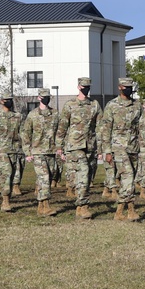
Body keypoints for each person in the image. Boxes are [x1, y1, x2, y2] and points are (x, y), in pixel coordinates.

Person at [54, 77, 103, 219]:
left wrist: (100, 147)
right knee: (83, 172)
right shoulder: (70, 105)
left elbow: (100, 127)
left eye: (88, 87)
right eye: (83, 87)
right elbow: (62, 126)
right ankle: (83, 206)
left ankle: (81, 204)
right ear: (78, 87)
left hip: (90, 145)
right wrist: (59, 146)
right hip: (74, 145)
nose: (85, 89)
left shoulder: (94, 105)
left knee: (87, 177)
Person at [99, 78, 142, 221]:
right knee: (128, 176)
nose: (128, 89)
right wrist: (106, 151)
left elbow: (140, 127)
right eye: (125, 87)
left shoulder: (137, 105)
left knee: (129, 179)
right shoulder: (112, 106)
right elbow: (106, 130)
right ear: (120, 87)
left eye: (130, 87)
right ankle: (125, 210)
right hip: (118, 146)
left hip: (133, 146)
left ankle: (123, 211)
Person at [21, 88, 60, 217]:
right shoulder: (32, 115)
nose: (46, 98)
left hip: (51, 151)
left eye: (48, 96)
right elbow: (26, 134)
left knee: (48, 178)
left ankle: (40, 206)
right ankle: (45, 206)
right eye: (43, 96)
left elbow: (60, 133)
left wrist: (60, 149)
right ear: (38, 98)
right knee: (44, 178)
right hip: (37, 151)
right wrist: (28, 152)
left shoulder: (55, 114)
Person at [0, 96, 24, 213]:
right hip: (0, 151)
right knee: (6, 173)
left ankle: (7, 198)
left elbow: (23, 133)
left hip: (14, 150)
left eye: (11, 99)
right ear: (2, 101)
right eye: (6, 100)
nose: (9, 102)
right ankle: (5, 201)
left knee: (12, 176)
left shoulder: (18, 116)